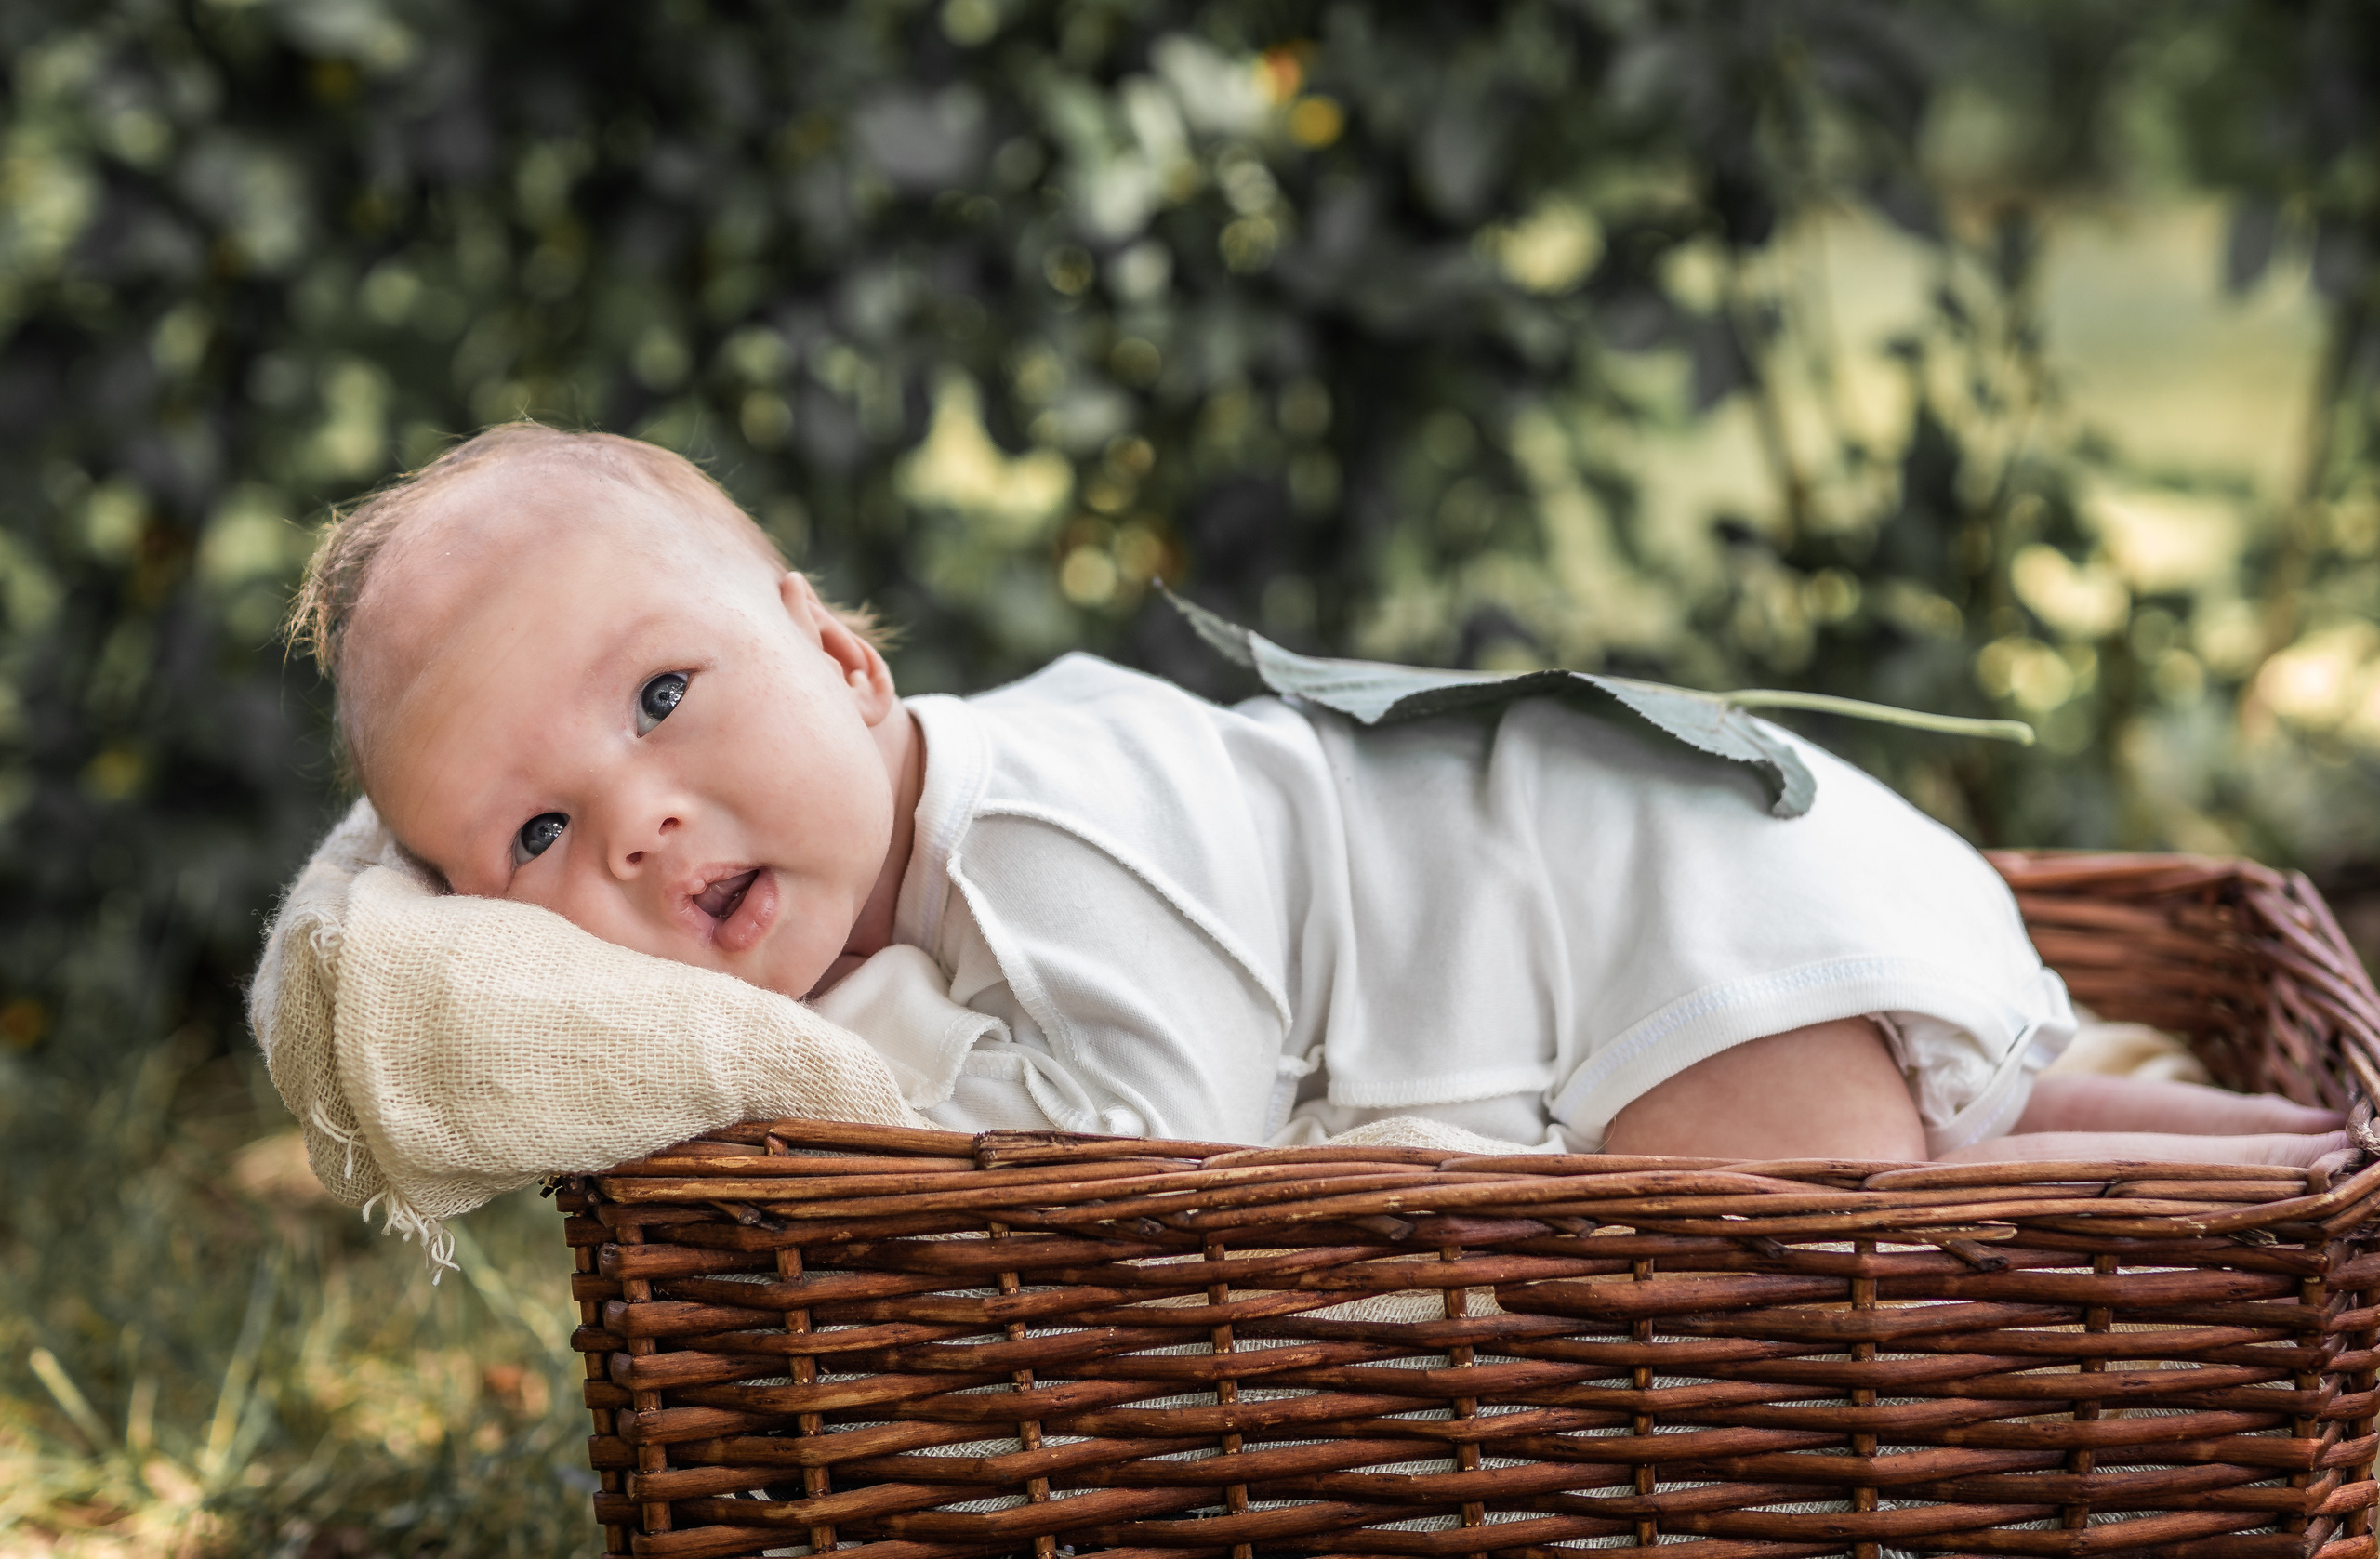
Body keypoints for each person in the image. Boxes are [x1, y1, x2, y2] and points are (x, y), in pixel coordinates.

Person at [285, 423, 2351, 1170]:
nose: (638, 821)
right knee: (1972, 1097)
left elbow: (1158, 1157)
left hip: (1652, 912)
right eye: (534, 839)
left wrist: (882, 1065)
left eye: (662, 692)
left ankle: (2289, 1219)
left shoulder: (1038, 830)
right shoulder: (903, 847)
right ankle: (2280, 1141)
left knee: (1834, 1212)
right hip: (1717, 911)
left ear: (841, 656)